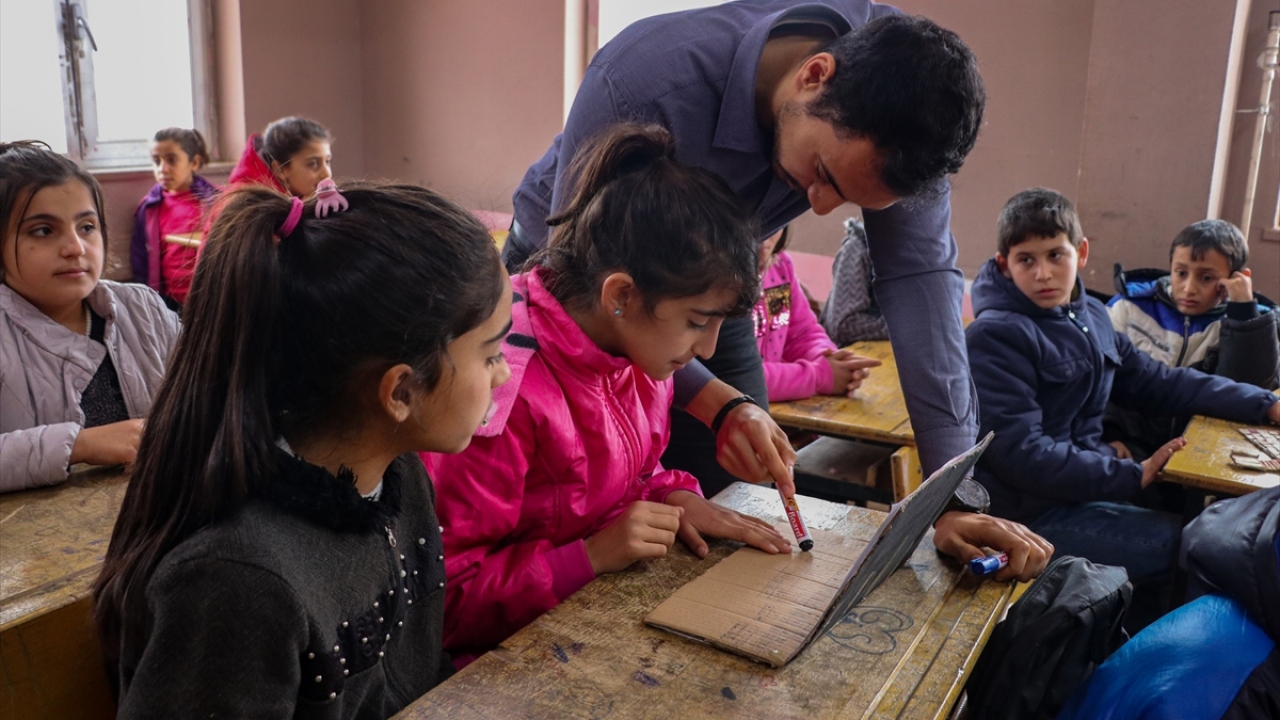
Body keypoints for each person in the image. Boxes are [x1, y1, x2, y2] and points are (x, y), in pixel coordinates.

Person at [427, 124, 1050, 661]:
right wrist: (588, 557)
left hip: (582, 623)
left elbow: (624, 477)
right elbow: (439, 602)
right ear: (621, 295)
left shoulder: (632, 354)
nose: (706, 353)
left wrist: (673, 496)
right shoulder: (503, 393)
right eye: (698, 321)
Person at [505, 1, 985, 500]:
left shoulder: (915, 112)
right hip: (568, 283)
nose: (819, 207)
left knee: (745, 486)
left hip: (709, 290)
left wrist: (953, 492)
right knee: (566, 487)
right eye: (823, 174)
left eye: (850, 199)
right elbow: (582, 288)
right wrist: (714, 401)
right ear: (814, 76)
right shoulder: (648, 81)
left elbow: (921, 284)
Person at [93, 181, 511, 717]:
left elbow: (418, 679)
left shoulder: (401, 478)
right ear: (401, 392)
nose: (503, 375)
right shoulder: (235, 584)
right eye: (491, 354)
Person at [965, 188, 1280, 627]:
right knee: (1197, 549)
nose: (1043, 273)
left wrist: (1265, 404)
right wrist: (1130, 474)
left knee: (1211, 529)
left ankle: (1122, 638)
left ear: (1081, 252)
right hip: (1026, 514)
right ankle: (1142, 656)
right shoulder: (994, 336)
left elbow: (1157, 381)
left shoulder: (1091, 315)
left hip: (1081, 490)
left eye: (1055, 255)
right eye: (1026, 260)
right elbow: (1022, 455)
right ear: (1005, 264)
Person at [0, 141, 179, 493]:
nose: (76, 248)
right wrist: (79, 445)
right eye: (43, 230)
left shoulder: (142, 308)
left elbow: (208, 387)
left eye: (86, 227)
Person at [1058, 486, 1280, 720]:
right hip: (1051, 513)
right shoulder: (1232, 687)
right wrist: (1132, 473)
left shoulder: (1242, 610)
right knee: (1171, 545)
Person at [1105, 219, 1280, 460]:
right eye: (1181, 273)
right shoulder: (1127, 308)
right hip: (1127, 444)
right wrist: (1107, 432)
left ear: (1236, 277)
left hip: (1199, 450)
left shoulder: (1251, 326)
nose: (1189, 288)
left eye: (1206, 278)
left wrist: (1243, 314)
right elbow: (1100, 377)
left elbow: (1247, 387)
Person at [753, 225, 881, 403]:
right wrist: (818, 376)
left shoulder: (781, 266)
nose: (764, 237)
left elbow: (803, 334)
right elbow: (736, 377)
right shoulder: (723, 281)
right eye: (749, 225)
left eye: (772, 224)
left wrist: (831, 360)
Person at [131, 127, 219, 307]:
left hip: (211, 300)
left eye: (171, 160)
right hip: (167, 303)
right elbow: (140, 260)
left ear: (194, 162)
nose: (162, 169)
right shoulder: (148, 209)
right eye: (157, 161)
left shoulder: (215, 202)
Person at [821, 217, 890, 344]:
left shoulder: (921, 252)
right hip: (853, 351)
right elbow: (844, 326)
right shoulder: (858, 248)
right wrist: (906, 326)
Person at [228, 115, 334, 198]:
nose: (326, 174)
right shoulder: (249, 205)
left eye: (327, 161)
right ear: (280, 169)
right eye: (313, 164)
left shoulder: (303, 195)